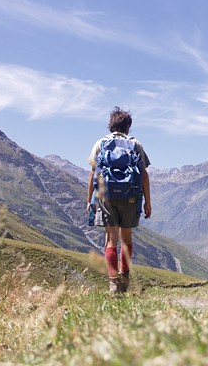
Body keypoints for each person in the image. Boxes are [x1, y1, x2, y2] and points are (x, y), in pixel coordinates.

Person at [87, 107, 152, 293]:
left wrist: (89, 200)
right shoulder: (135, 144)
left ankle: (113, 283)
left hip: (107, 197)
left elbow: (93, 174)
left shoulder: (100, 144)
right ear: (128, 127)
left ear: (111, 125)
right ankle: (125, 278)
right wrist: (148, 201)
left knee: (110, 241)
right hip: (131, 196)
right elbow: (144, 174)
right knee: (126, 239)